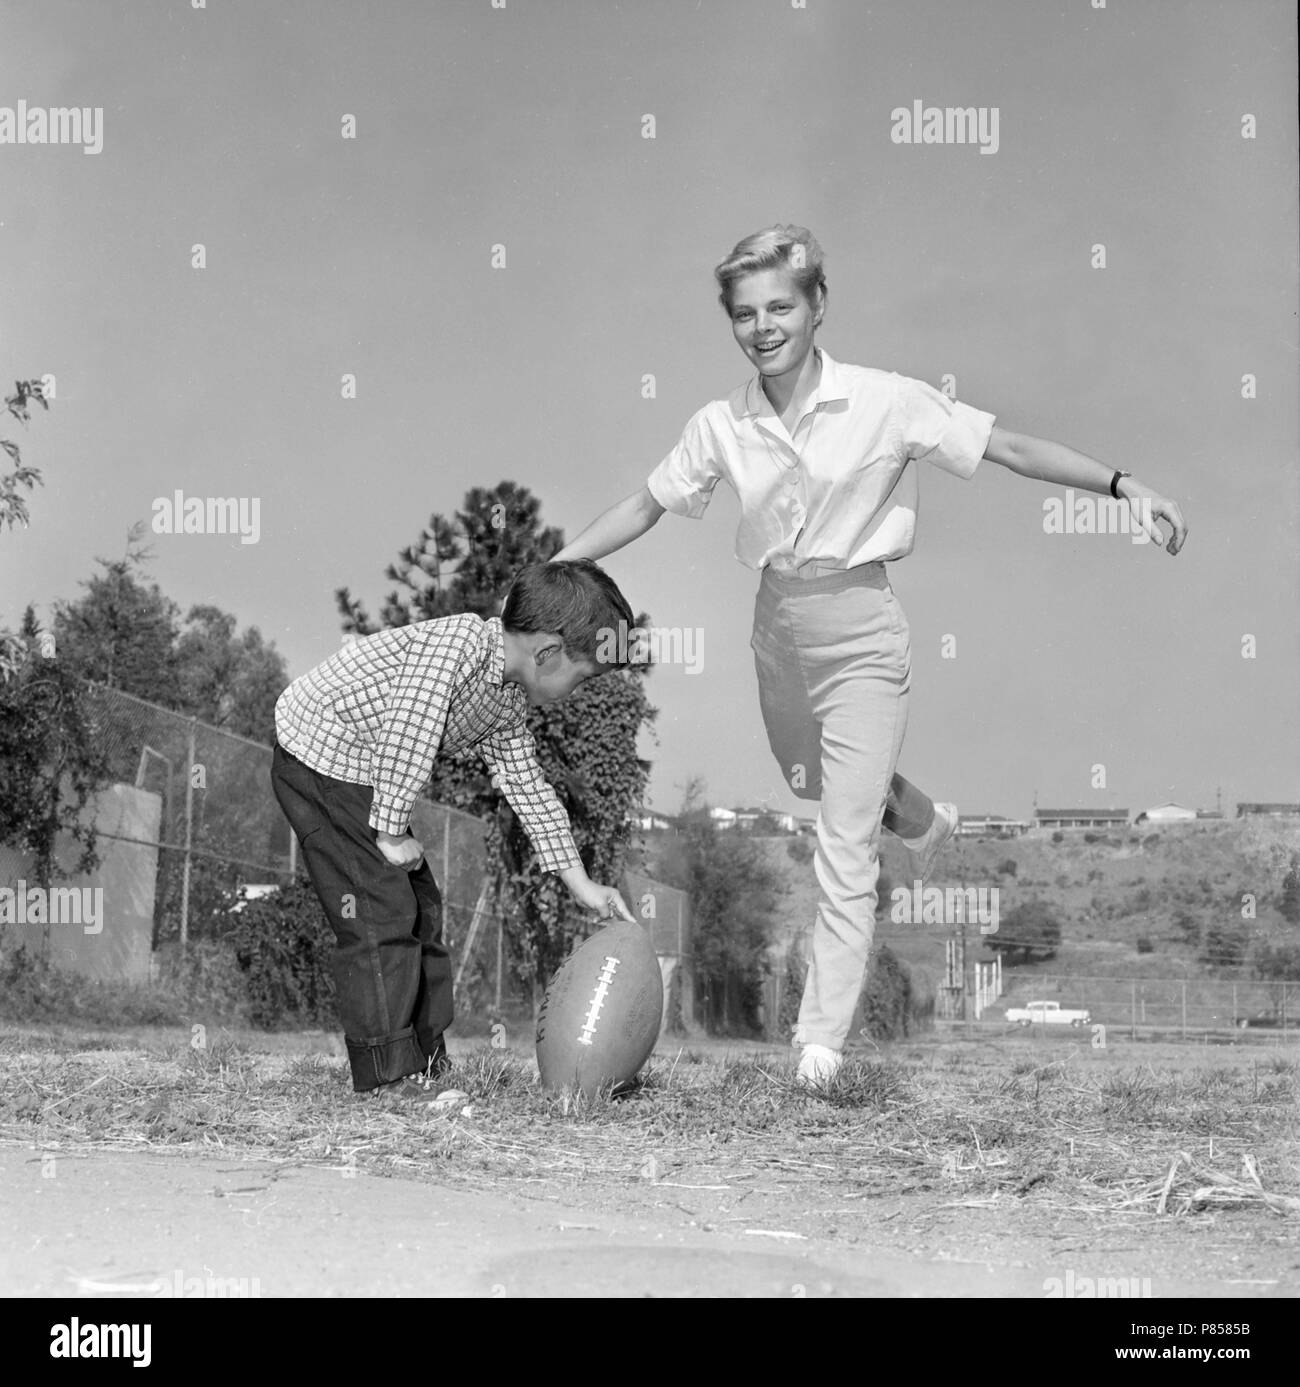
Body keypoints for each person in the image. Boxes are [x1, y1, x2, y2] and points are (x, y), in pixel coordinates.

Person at [555, 225, 1187, 1089]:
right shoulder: (721, 423)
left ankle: (819, 1047)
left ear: (818, 304)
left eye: (782, 305)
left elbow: (1009, 447)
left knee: (842, 839)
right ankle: (918, 813)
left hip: (862, 629)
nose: (764, 325)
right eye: (745, 313)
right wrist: (557, 566)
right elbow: (643, 507)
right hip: (777, 626)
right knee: (810, 781)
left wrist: (1125, 486)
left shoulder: (888, 400)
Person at [271, 559, 637, 1103]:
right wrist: (392, 832)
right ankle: (387, 1074)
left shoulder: (507, 699)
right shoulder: (459, 647)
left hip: (365, 773)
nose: (577, 691)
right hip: (319, 757)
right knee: (380, 911)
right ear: (548, 653)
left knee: (422, 907)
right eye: (582, 678)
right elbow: (408, 732)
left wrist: (582, 884)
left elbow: (527, 786)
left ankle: (423, 1058)